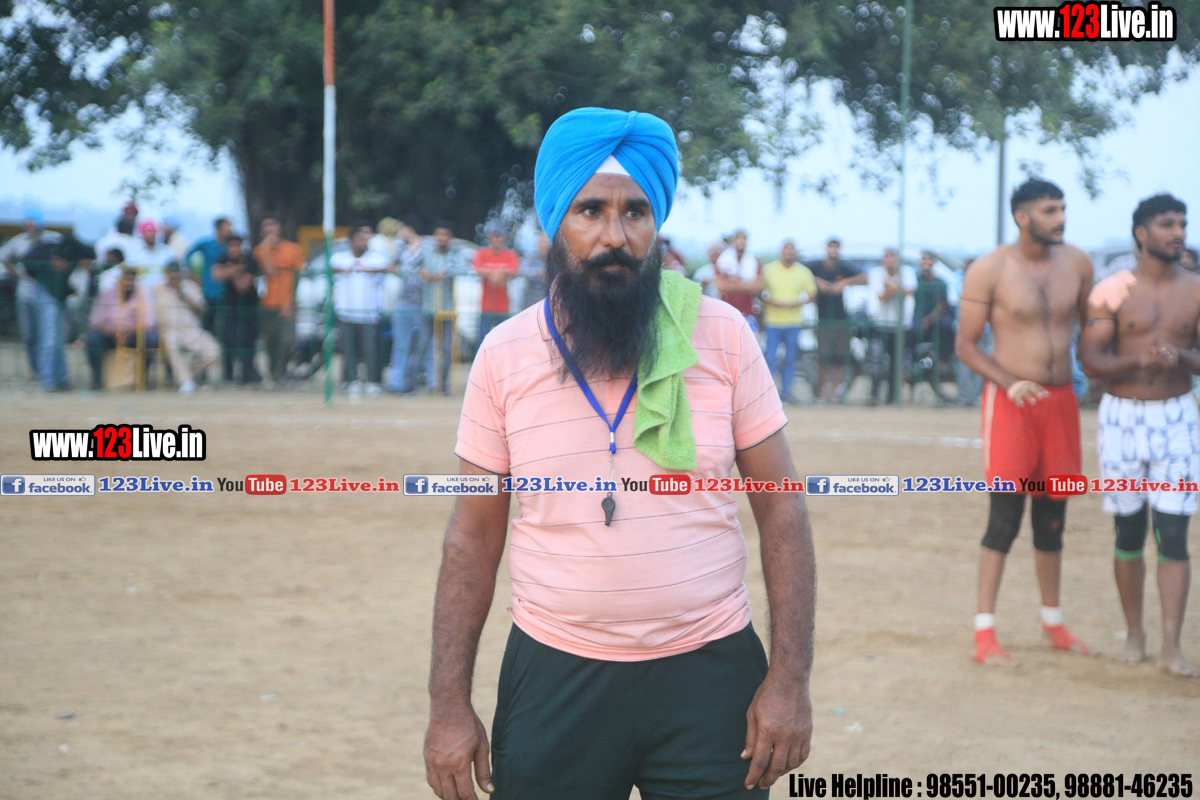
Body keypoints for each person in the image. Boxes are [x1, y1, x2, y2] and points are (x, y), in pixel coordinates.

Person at [424, 107, 815, 800]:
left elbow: (782, 511)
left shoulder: (723, 336)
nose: (615, 236)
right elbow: (472, 537)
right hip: (554, 674)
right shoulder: (504, 354)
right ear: (555, 223)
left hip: (711, 677)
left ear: (656, 222)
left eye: (636, 212)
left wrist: (788, 680)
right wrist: (448, 705)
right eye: (591, 211)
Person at [955, 178, 1095, 667]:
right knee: (1004, 518)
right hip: (1011, 404)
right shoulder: (989, 269)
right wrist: (1009, 382)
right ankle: (984, 634)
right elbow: (965, 345)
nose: (1061, 218)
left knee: (1053, 519)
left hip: (1062, 404)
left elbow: (1091, 329)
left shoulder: (1079, 263)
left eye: (1062, 208)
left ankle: (1053, 622)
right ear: (1022, 216)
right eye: (1050, 210)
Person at [1079, 194, 1197, 677]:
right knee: (1127, 530)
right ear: (1141, 234)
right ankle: (1134, 633)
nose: (1178, 232)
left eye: (1182, 223)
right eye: (1167, 224)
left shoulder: (1196, 291)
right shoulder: (1111, 291)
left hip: (1177, 418)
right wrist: (1138, 361)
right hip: (1122, 419)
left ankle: (1171, 644)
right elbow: (1090, 360)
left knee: (1174, 532)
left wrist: (1181, 357)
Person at [0, 208, 63, 380]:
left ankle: (48, 373)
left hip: (48, 287)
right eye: (27, 224)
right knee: (29, 332)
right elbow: (4, 256)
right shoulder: (18, 241)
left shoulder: (53, 238)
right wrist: (15, 271)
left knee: (48, 332)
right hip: (26, 287)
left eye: (33, 224)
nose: (30, 227)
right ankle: (35, 369)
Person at [21, 238, 89, 391]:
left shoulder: (72, 256)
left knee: (57, 339)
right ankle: (49, 380)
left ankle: (60, 379)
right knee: (49, 338)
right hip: (48, 294)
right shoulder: (62, 252)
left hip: (58, 297)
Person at [330, 222, 390, 393]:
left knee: (370, 349)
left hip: (369, 313)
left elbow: (386, 266)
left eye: (365, 239)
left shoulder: (376, 257)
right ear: (351, 241)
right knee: (348, 349)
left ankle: (372, 381)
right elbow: (333, 267)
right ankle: (351, 380)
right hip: (346, 311)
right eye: (359, 239)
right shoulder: (340, 257)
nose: (363, 243)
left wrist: (365, 268)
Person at [412, 221, 469, 395]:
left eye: (445, 235)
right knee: (422, 345)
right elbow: (408, 265)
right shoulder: (425, 252)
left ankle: (442, 386)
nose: (442, 238)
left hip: (446, 309)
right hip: (427, 308)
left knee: (445, 349)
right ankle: (415, 384)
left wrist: (446, 272)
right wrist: (421, 272)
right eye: (439, 234)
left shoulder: (455, 254)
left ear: (450, 237)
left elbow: (465, 268)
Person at [808, 238, 866, 402]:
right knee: (823, 358)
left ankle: (834, 394)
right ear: (826, 249)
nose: (833, 251)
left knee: (839, 359)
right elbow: (801, 272)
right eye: (831, 248)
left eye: (836, 248)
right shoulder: (816, 267)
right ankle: (820, 393)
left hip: (841, 319)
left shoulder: (844, 267)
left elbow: (864, 277)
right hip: (823, 319)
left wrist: (844, 283)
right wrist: (817, 281)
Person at [85, 265, 158, 390]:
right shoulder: (107, 294)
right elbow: (95, 320)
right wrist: (111, 330)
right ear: (120, 280)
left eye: (131, 280)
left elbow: (149, 322)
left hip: (134, 336)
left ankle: (142, 378)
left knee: (152, 339)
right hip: (110, 336)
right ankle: (97, 379)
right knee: (92, 339)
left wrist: (130, 331)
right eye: (126, 279)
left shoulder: (143, 295)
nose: (128, 283)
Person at [761, 240, 817, 405]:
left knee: (790, 359)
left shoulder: (803, 271)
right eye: (786, 250)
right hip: (772, 321)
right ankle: (768, 393)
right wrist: (772, 302)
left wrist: (796, 303)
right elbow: (759, 292)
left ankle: (786, 393)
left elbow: (812, 295)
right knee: (770, 358)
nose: (788, 253)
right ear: (781, 252)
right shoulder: (769, 270)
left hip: (794, 321)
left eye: (791, 250)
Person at [253, 216, 304, 387]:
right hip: (268, 303)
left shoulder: (293, 249)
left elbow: (297, 277)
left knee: (287, 340)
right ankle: (273, 376)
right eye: (265, 226)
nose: (270, 229)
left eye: (272, 225)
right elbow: (269, 271)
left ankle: (281, 372)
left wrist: (289, 302)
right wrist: (265, 248)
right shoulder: (260, 250)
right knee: (270, 342)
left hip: (286, 303)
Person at [154, 263, 220, 393]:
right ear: (166, 274)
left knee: (214, 352)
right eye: (171, 272)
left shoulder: (191, 287)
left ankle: (185, 375)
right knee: (171, 341)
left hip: (192, 330)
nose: (174, 276)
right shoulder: (157, 289)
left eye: (176, 272)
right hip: (170, 330)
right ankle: (186, 382)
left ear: (180, 274)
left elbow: (202, 310)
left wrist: (183, 296)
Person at [386, 215, 430, 394]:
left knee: (424, 346)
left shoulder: (427, 247)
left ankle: (422, 382)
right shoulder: (400, 248)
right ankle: (397, 382)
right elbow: (392, 266)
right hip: (403, 303)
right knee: (400, 345)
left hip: (423, 304)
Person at [866, 248, 916, 406]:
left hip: (900, 325)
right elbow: (881, 296)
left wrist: (891, 285)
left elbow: (910, 291)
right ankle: (874, 395)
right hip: (880, 323)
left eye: (893, 257)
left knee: (896, 363)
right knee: (876, 362)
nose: (890, 261)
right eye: (887, 257)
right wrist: (897, 288)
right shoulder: (876, 273)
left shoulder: (907, 272)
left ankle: (891, 397)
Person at [212, 234, 262, 386]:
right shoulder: (222, 258)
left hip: (249, 306)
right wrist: (237, 270)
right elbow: (216, 274)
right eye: (231, 246)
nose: (234, 249)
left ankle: (248, 374)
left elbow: (243, 285)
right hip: (230, 306)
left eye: (237, 246)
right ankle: (229, 374)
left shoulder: (250, 259)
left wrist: (229, 272)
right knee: (229, 339)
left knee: (248, 341)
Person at [472, 222, 520, 345]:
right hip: (486, 305)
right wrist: (497, 273)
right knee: (482, 339)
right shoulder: (481, 253)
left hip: (503, 306)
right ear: (489, 237)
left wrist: (493, 273)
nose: (496, 240)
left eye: (499, 236)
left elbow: (514, 270)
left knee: (504, 340)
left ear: (504, 238)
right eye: (494, 236)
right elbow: (477, 269)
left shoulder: (510, 254)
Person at [186, 217, 234, 333]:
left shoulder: (230, 247)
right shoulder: (206, 244)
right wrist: (192, 272)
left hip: (225, 289)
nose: (230, 230)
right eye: (227, 227)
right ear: (219, 228)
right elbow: (188, 255)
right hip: (207, 288)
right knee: (208, 319)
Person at [910, 251, 954, 362]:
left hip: (935, 316)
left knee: (947, 327)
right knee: (910, 331)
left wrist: (928, 320)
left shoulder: (940, 283)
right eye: (923, 259)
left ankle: (944, 360)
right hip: (917, 314)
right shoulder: (914, 281)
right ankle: (911, 362)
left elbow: (942, 305)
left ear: (934, 262)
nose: (926, 262)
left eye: (929, 259)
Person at [715, 229, 762, 330]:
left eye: (744, 238)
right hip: (727, 313)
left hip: (748, 313)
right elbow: (721, 286)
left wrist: (730, 281)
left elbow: (757, 286)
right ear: (733, 241)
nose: (741, 241)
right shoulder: (723, 261)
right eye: (738, 238)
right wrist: (745, 284)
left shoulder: (754, 262)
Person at [518, 230, 550, 310]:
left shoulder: (556, 259)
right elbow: (522, 270)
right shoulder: (531, 257)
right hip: (531, 300)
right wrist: (538, 274)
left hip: (549, 301)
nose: (545, 246)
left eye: (547, 243)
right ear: (538, 243)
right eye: (543, 242)